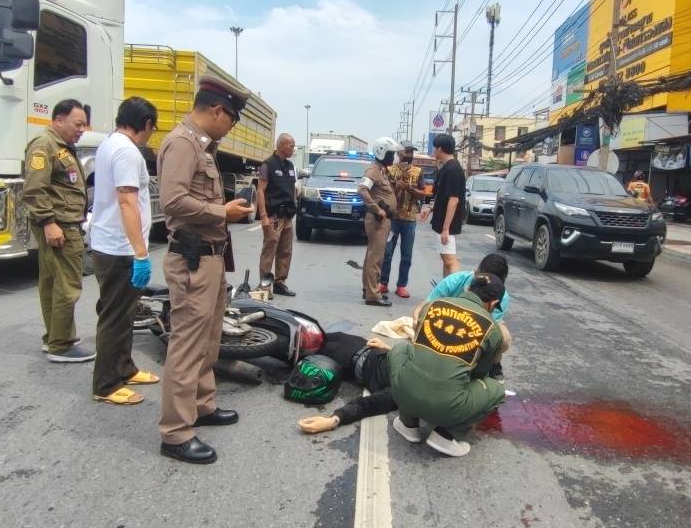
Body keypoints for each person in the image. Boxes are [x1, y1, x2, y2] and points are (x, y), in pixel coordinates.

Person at [297, 273, 507, 457]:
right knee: (496, 388)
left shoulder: (433, 306)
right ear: (493, 303)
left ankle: (408, 423)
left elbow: (373, 401)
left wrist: (335, 419)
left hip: (391, 382)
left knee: (400, 347)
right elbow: (478, 375)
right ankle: (446, 434)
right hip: (437, 400)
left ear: (468, 288)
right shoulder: (491, 328)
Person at [156, 75, 255, 465]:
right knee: (187, 346)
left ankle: (201, 405)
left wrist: (225, 213)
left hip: (212, 257)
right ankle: (176, 432)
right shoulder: (182, 143)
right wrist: (222, 212)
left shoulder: (204, 147)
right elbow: (173, 200)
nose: (230, 128)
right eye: (230, 120)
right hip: (193, 259)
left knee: (209, 338)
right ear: (216, 110)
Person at [88, 97, 161, 406]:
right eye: (152, 129)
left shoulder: (109, 144)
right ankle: (105, 384)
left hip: (112, 243)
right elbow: (127, 201)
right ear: (145, 124)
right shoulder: (127, 152)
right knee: (115, 316)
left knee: (124, 313)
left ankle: (125, 368)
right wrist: (141, 253)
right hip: (119, 248)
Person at [22, 98, 94, 363]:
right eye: (77, 124)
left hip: (62, 222)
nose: (81, 129)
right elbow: (34, 188)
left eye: (84, 125)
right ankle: (61, 345)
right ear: (58, 120)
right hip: (59, 225)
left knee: (53, 283)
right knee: (67, 285)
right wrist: (49, 222)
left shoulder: (61, 145)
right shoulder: (44, 145)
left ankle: (54, 336)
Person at [426, 252, 512, 377]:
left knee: (503, 338)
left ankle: (492, 365)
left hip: (474, 332)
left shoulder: (501, 298)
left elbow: (488, 333)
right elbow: (423, 307)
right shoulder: (455, 280)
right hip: (444, 325)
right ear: (476, 273)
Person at [379, 143, 427, 299]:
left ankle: (401, 285)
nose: (410, 155)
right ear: (400, 153)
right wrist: (398, 188)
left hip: (409, 219)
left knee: (406, 255)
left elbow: (423, 194)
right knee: (387, 253)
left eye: (412, 152)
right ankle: (383, 282)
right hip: (393, 218)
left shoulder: (417, 171)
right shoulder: (390, 171)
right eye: (407, 152)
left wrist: (411, 189)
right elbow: (385, 195)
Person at [256, 133, 298, 296]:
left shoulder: (289, 165)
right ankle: (265, 287)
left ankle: (280, 283)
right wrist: (263, 216)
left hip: (287, 216)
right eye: (290, 145)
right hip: (273, 216)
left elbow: (293, 189)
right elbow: (260, 190)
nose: (293, 149)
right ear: (281, 145)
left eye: (294, 146)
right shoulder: (268, 165)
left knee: (286, 251)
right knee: (269, 251)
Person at [359, 137, 399, 307]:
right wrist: (377, 209)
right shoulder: (373, 170)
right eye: (391, 153)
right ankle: (373, 295)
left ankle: (368, 289)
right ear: (381, 152)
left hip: (383, 220)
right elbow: (362, 189)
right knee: (376, 259)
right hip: (378, 221)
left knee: (371, 257)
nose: (393, 157)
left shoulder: (382, 170)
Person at [430, 134, 466, 277]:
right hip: (442, 221)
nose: (434, 151)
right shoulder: (446, 168)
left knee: (450, 261)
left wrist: (446, 229)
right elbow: (443, 197)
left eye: (435, 148)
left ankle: (456, 291)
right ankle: (447, 291)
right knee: (446, 260)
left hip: (447, 225)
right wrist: (431, 208)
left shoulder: (453, 169)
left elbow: (454, 200)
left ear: (440, 149)